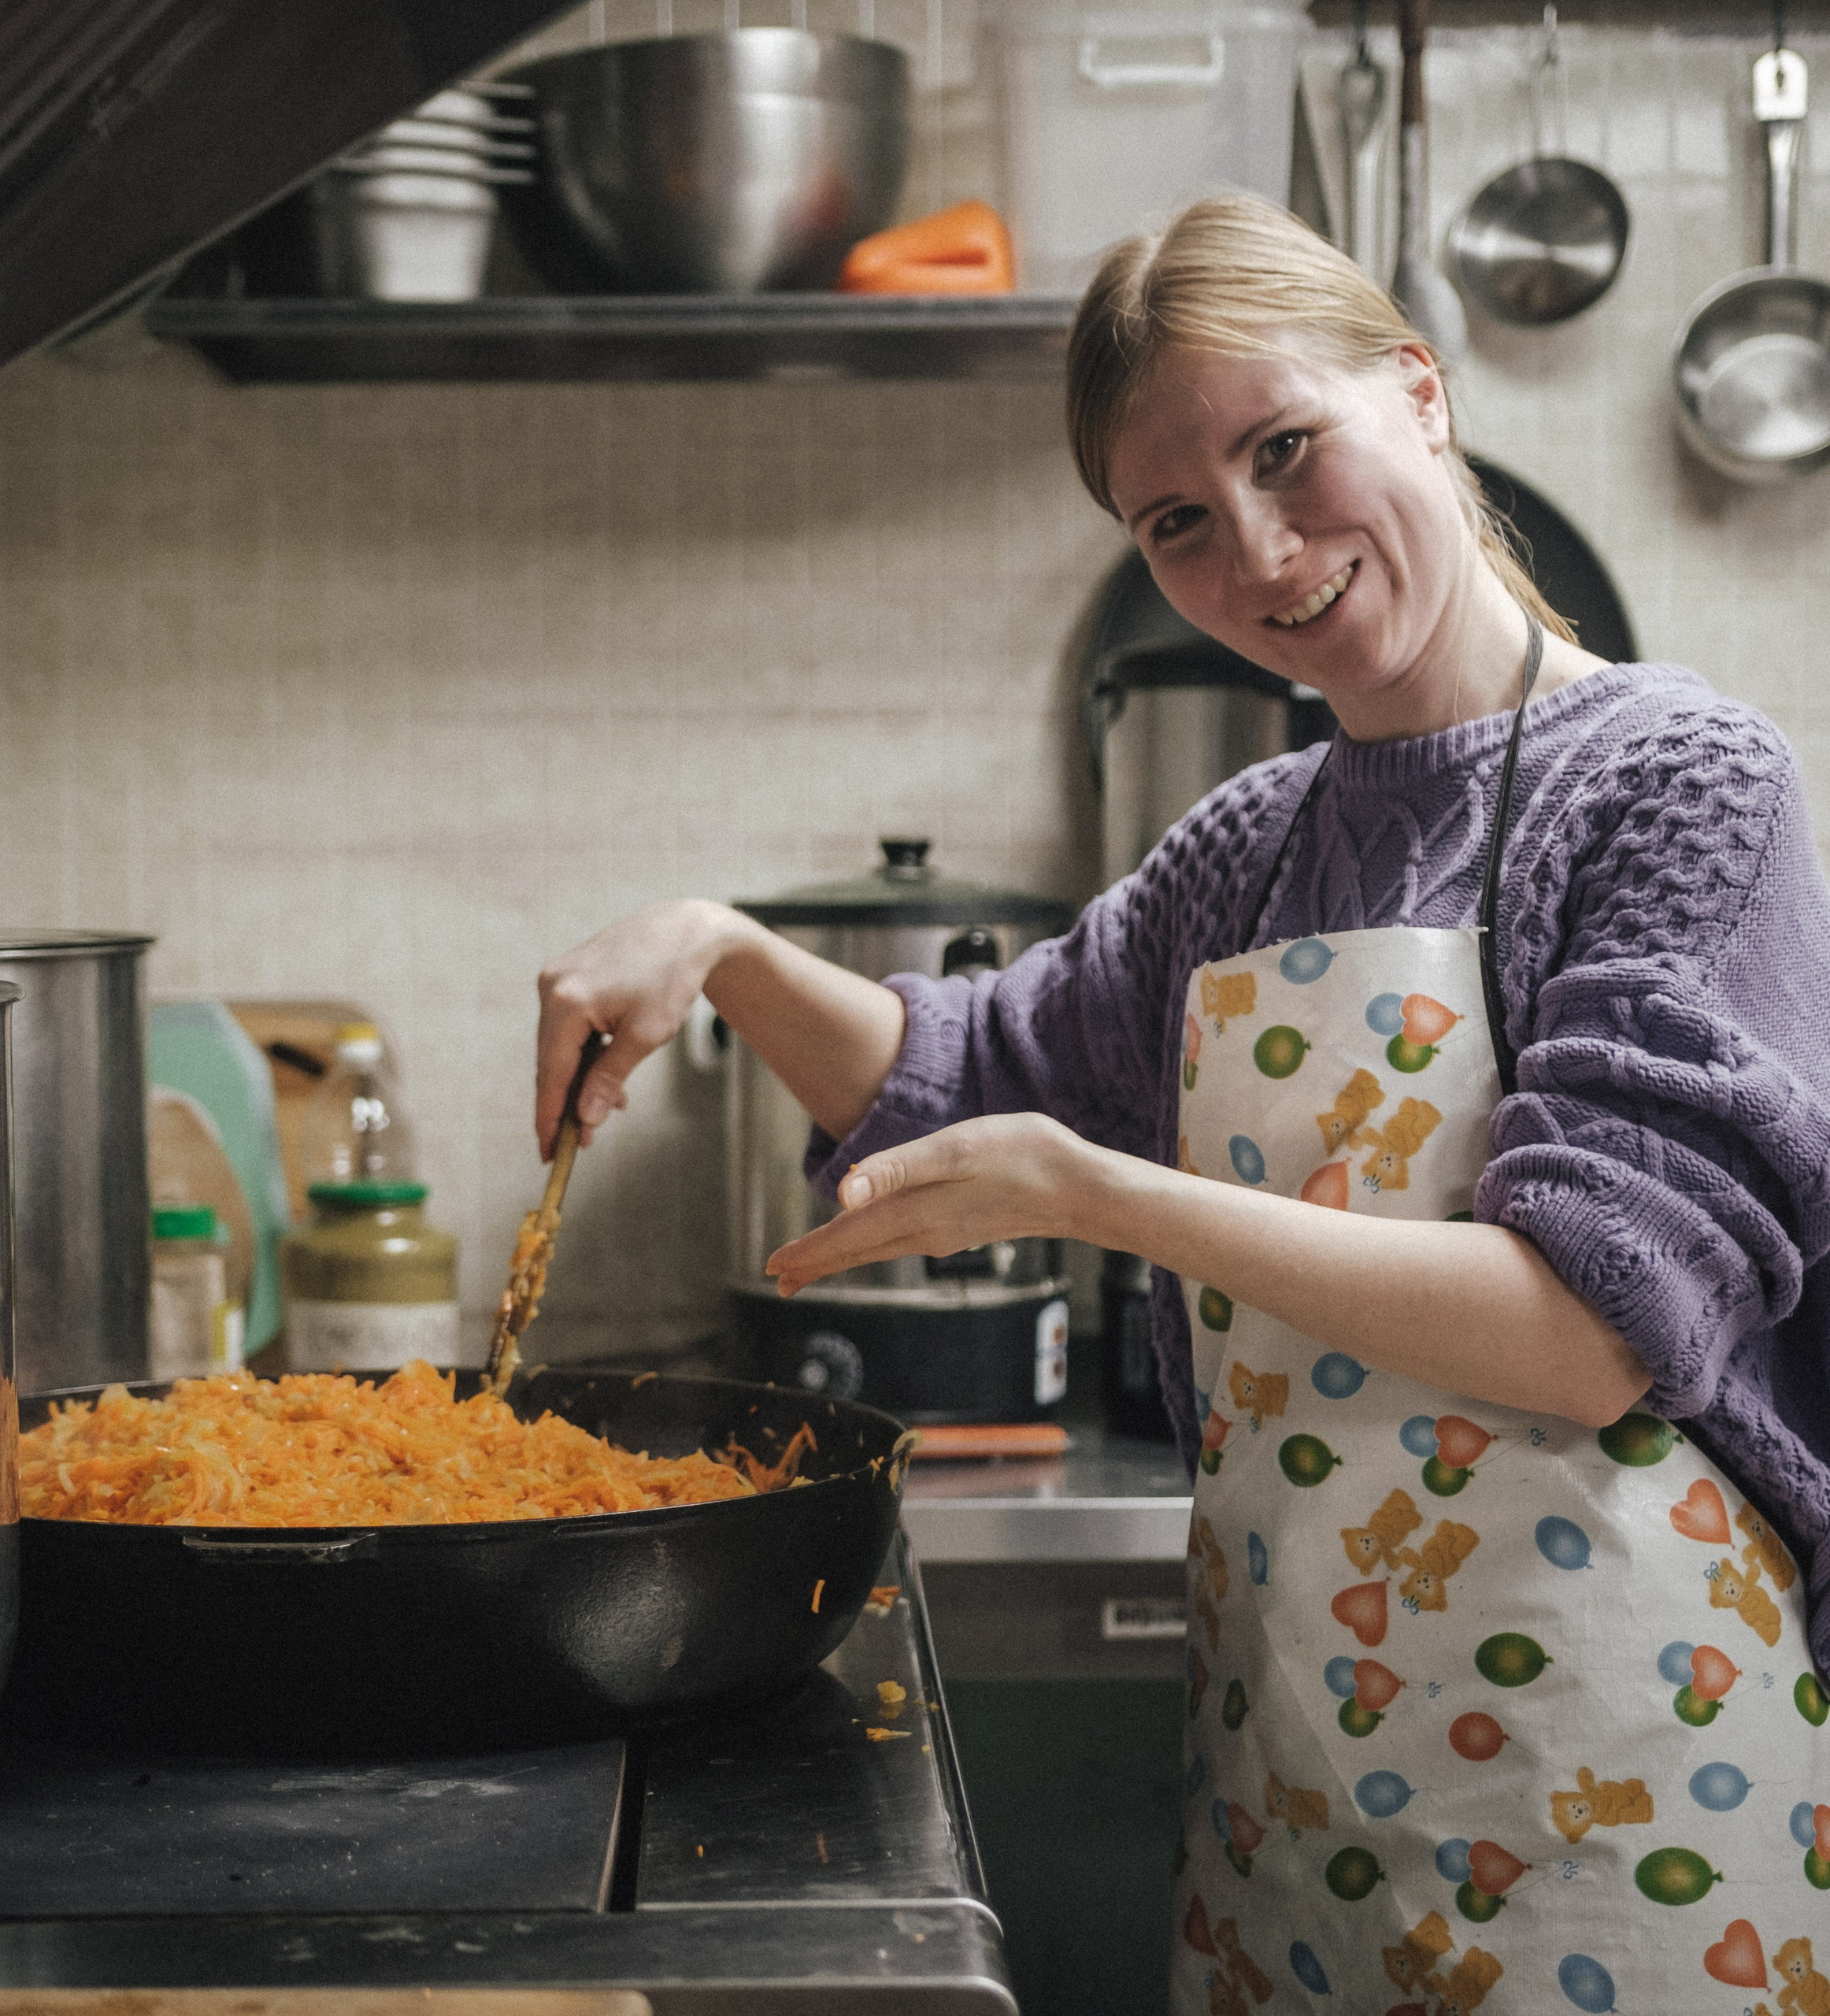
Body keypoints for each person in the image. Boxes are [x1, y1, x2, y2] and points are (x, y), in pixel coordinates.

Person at [535, 196, 1830, 2007]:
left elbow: (1587, 1330)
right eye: (1176, 522)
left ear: (1419, 392)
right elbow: (956, 1074)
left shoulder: (1678, 783)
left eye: (1282, 448)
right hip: (1297, 1770)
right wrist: (726, 948)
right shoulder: (1241, 849)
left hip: (1625, 1788)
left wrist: (1099, 1193)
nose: (1260, 552)